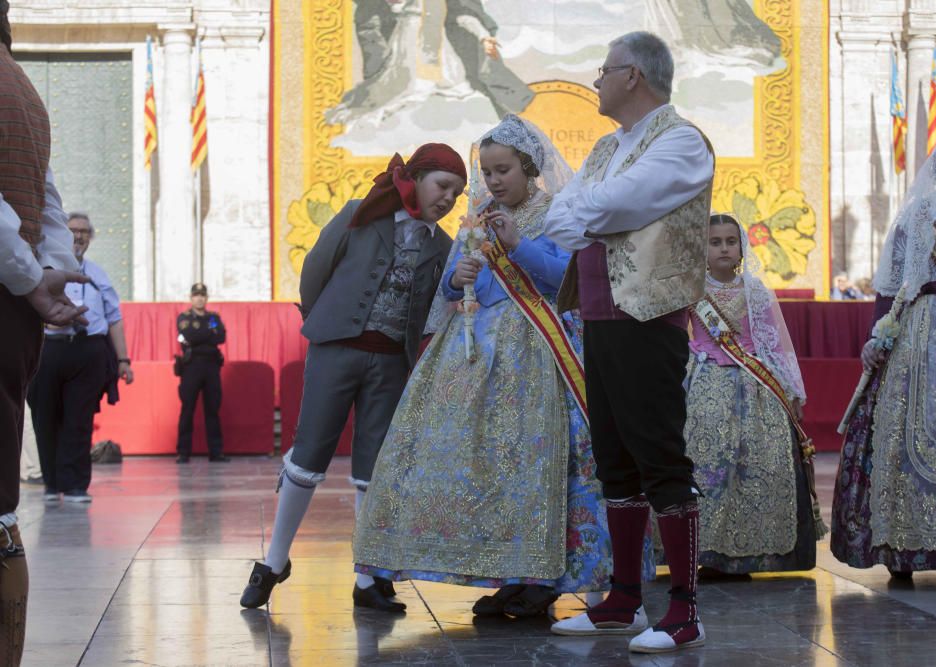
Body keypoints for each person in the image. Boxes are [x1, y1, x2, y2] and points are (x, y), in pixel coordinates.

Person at [354, 115, 653, 616]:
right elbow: (453, 283)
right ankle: (513, 574)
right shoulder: (476, 218)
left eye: (502, 170)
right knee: (495, 466)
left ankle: (547, 579)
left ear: (529, 167)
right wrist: (458, 278)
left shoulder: (559, 213)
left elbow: (567, 280)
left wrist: (519, 246)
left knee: (544, 464)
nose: (493, 181)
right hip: (477, 354)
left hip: (546, 353)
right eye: (488, 172)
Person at [543, 31, 714, 654]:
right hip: (601, 316)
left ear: (634, 76)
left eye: (604, 69)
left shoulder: (681, 141)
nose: (596, 80)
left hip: (647, 315)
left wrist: (591, 207)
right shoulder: (607, 146)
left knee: (660, 457)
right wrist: (593, 208)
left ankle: (686, 609)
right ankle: (622, 599)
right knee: (615, 459)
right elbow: (566, 216)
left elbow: (619, 203)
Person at [240, 144, 465, 610]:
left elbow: (434, 309)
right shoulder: (360, 215)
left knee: (373, 467)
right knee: (309, 452)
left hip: (390, 362)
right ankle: (274, 560)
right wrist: (325, 322)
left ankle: (366, 577)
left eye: (456, 194)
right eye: (443, 186)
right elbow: (316, 269)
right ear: (417, 177)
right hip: (336, 349)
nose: (447, 199)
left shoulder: (442, 247)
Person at [831, 126, 936, 581]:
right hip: (922, 341)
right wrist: (876, 335)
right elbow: (892, 287)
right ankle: (907, 546)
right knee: (909, 439)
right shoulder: (918, 216)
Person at [0, 3, 89, 661]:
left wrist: (32, 273)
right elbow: (46, 197)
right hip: (16, 317)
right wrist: (50, 270)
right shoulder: (21, 85)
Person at [685, 214, 822, 578]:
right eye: (715, 242)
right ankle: (704, 549)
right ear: (702, 247)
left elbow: (775, 344)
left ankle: (747, 551)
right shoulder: (691, 289)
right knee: (706, 463)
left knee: (750, 465)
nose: (725, 248)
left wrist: (792, 390)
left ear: (742, 247)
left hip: (753, 387)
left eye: (731, 241)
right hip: (704, 385)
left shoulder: (756, 290)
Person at [27, 212, 134, 504]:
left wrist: (123, 360)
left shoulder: (98, 275)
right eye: (73, 230)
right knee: (45, 416)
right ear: (61, 234)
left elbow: (114, 318)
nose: (79, 236)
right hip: (48, 350)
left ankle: (75, 486)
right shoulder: (40, 270)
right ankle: (51, 483)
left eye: (85, 231)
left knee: (79, 418)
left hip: (88, 351)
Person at [175, 282, 227, 463]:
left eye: (202, 295)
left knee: (213, 410)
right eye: (196, 295)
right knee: (187, 409)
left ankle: (216, 452)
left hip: (212, 367)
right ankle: (183, 452)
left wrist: (199, 335)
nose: (199, 298)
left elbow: (220, 336)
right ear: (191, 298)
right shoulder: (185, 317)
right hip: (191, 367)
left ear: (206, 298)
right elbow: (187, 335)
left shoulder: (213, 317)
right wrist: (207, 334)